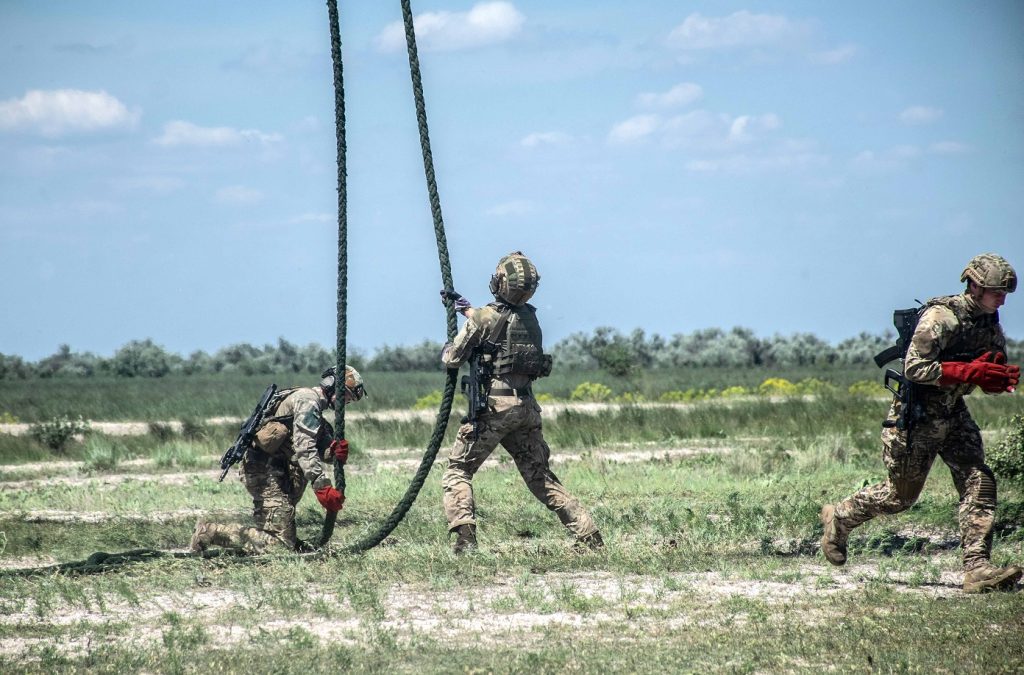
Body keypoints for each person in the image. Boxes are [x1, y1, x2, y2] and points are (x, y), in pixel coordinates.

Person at [820, 254, 1021, 593]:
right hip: (917, 415)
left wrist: (993, 376)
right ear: (974, 285)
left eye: (1004, 293)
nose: (1001, 299)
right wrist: (968, 372)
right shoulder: (941, 318)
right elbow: (915, 368)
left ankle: (977, 568)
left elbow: (990, 364)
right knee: (900, 497)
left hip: (953, 411)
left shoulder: (988, 321)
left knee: (979, 480)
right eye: (994, 291)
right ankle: (839, 518)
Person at [439, 251, 603, 553]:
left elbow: (452, 358)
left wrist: (452, 342)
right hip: (525, 408)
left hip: (495, 409)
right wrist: (468, 310)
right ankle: (588, 533)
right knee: (539, 475)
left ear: (501, 282)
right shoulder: (530, 317)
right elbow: (501, 325)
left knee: (458, 471)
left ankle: (465, 540)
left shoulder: (487, 317)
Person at [190, 365, 366, 554]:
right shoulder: (307, 400)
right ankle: (209, 532)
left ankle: (272, 537)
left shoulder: (314, 409)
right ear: (332, 385)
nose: (347, 401)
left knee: (282, 540)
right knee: (279, 548)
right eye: (347, 395)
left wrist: (333, 451)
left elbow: (313, 447)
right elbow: (304, 447)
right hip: (264, 471)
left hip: (279, 473)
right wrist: (321, 485)